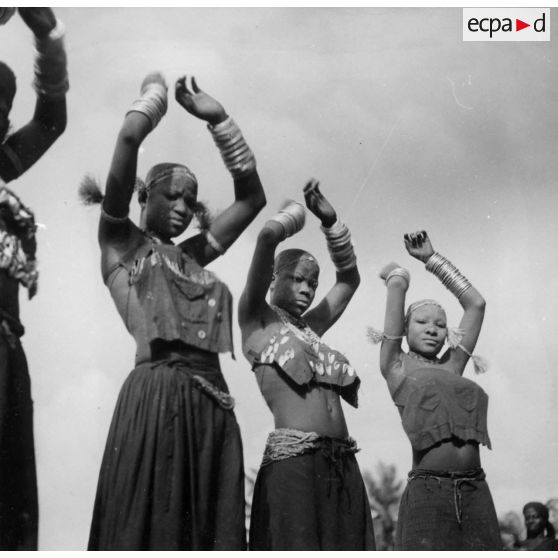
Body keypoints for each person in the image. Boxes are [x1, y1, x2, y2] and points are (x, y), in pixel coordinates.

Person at [80, 71, 265, 550]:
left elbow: (252, 199)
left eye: (190, 199)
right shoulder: (121, 244)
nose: (184, 207)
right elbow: (127, 136)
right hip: (157, 394)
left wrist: (219, 119)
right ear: (145, 197)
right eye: (173, 195)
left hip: (213, 406)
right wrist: (155, 99)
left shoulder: (191, 256)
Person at [239, 180, 376, 550]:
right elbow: (267, 239)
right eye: (297, 279)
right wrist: (293, 217)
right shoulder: (256, 320)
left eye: (312, 284)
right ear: (272, 278)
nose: (307, 289)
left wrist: (331, 223)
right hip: (294, 463)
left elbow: (349, 280)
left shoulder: (312, 328)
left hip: (343, 462)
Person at [370, 230, 501, 550]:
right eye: (422, 322)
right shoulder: (396, 366)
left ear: (448, 334)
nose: (432, 328)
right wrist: (397, 280)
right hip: (429, 493)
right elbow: (397, 284)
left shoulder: (453, 365)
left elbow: (476, 304)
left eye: (440, 325)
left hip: (476, 490)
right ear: (404, 328)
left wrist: (431, 259)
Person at [0, 7, 68, 550]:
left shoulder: (3, 167)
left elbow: (51, 120)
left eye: (3, 112)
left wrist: (47, 37)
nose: (2, 121)